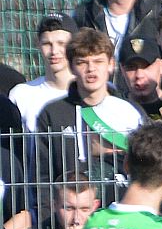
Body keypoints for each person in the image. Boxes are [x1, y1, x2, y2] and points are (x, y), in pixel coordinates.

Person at [32, 30, 142, 176]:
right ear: (71, 67)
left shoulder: (131, 110)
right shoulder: (52, 114)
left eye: (98, 61)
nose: (91, 69)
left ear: (111, 64)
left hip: (125, 197)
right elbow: (42, 175)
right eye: (82, 62)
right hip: (70, 197)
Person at [10, 15, 75, 133]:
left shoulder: (89, 92)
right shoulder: (21, 94)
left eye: (61, 43)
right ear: (38, 45)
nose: (54, 51)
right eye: (47, 44)